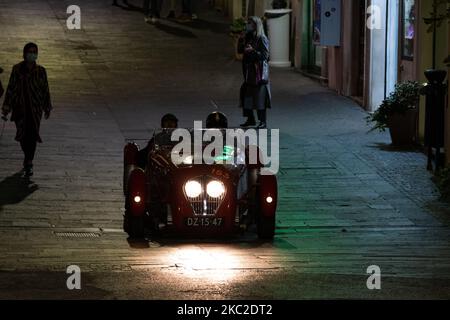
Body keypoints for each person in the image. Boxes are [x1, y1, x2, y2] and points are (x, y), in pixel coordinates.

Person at [1, 43, 52, 177]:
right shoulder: (17, 69)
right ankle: (27, 156)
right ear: (24, 53)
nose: (32, 54)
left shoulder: (41, 71)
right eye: (30, 52)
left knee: (32, 135)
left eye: (34, 52)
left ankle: (29, 161)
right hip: (20, 109)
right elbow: (11, 88)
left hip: (35, 109)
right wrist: (7, 105)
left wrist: (47, 106)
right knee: (23, 134)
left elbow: (45, 89)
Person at [238, 16, 271, 129]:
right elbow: (240, 51)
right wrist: (241, 39)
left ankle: (263, 121)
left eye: (250, 23)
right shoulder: (248, 37)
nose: (247, 25)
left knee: (260, 97)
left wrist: (253, 51)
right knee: (247, 95)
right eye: (247, 23)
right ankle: (250, 119)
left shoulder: (261, 38)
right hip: (248, 72)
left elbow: (265, 56)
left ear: (256, 25)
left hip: (258, 73)